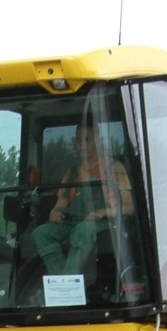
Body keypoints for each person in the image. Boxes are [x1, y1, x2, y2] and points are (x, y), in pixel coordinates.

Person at [31, 119, 135, 278]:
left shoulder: (115, 168)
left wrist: (102, 212)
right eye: (79, 140)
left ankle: (66, 284)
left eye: (88, 139)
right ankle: (63, 283)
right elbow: (60, 205)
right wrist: (56, 211)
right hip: (74, 224)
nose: (83, 145)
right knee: (41, 233)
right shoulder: (72, 173)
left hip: (104, 224)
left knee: (83, 229)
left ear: (98, 141)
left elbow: (129, 207)